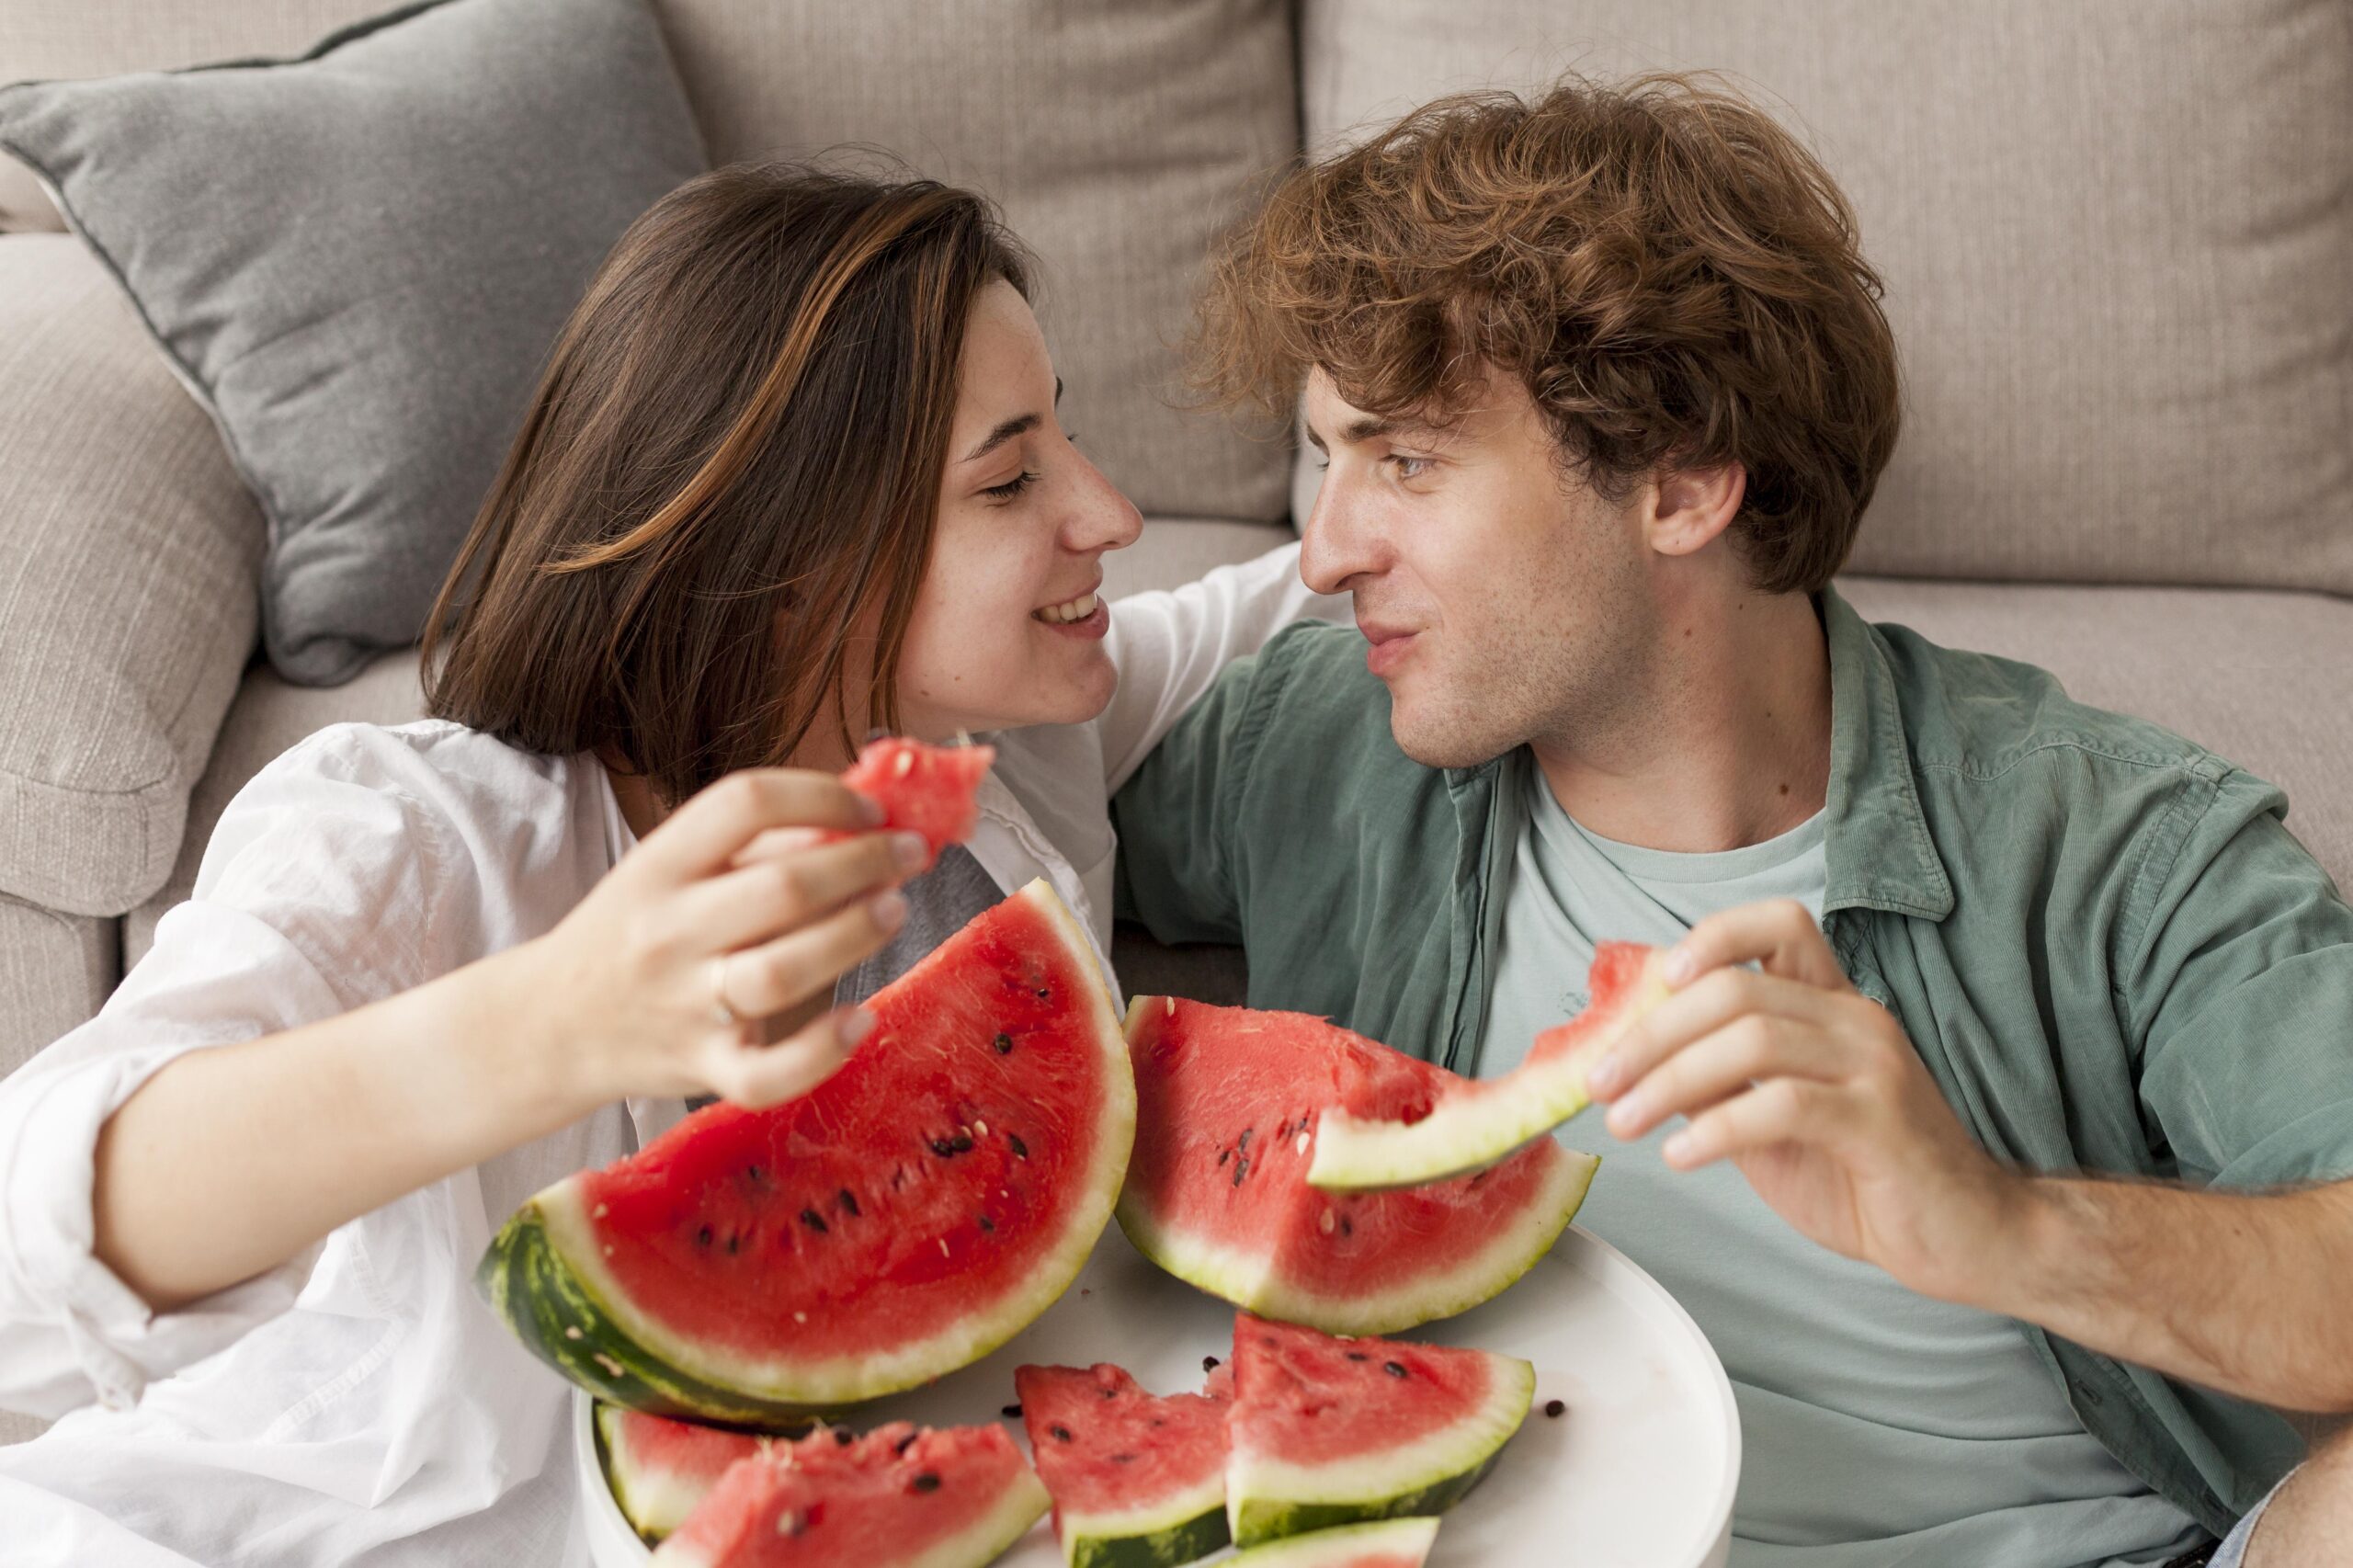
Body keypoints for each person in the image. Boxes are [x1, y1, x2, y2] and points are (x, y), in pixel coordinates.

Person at [0, 163, 1338, 1564]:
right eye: (1009, 477)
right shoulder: (412, 836)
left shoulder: (1013, 744)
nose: (1110, 514)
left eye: (1070, 436)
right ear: (787, 557)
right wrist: (550, 1023)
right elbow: (38, 1251)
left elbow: (1289, 590)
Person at [1114, 74, 2353, 1567]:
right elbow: (958, 807)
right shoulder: (1310, 747)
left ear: (1685, 481)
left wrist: (1997, 1220)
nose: (1319, 553)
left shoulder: (2118, 843)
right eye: (1329, 458)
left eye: (1409, 459)